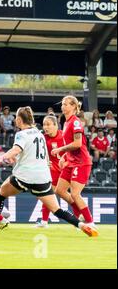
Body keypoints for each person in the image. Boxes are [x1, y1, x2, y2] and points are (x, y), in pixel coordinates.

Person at [0, 106, 98, 237]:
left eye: (17, 118)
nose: (16, 120)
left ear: (20, 120)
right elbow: (37, 154)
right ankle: (81, 225)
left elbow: (16, 150)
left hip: (24, 176)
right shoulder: (39, 134)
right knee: (57, 210)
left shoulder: (21, 134)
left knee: (1, 194)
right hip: (42, 178)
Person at [52, 96, 95, 227]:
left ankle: (90, 222)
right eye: (62, 104)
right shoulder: (66, 122)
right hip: (71, 162)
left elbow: (77, 143)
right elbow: (72, 144)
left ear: (74, 107)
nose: (63, 106)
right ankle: (78, 213)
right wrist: (65, 155)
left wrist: (60, 149)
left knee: (75, 194)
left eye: (66, 104)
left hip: (81, 162)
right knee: (59, 190)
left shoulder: (75, 122)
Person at [35, 114, 64, 228]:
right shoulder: (42, 138)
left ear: (56, 125)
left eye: (48, 124)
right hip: (50, 171)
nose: (45, 127)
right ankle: (44, 221)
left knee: (71, 196)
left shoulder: (64, 136)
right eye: (44, 124)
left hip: (64, 171)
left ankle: (81, 218)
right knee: (47, 195)